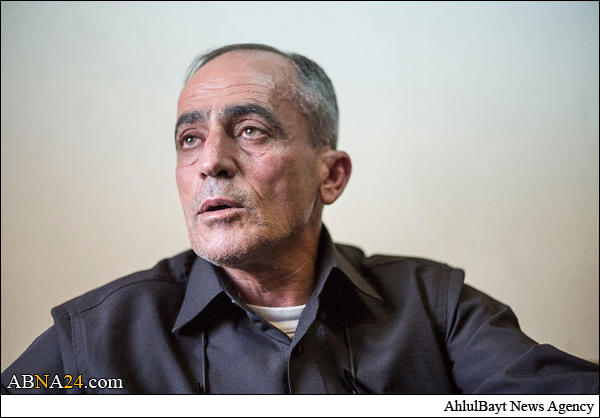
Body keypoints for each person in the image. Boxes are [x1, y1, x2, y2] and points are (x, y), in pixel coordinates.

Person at [1, 43, 598, 394]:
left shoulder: (434, 309)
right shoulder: (93, 344)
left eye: (250, 130)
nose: (210, 161)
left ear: (330, 175)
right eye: (189, 139)